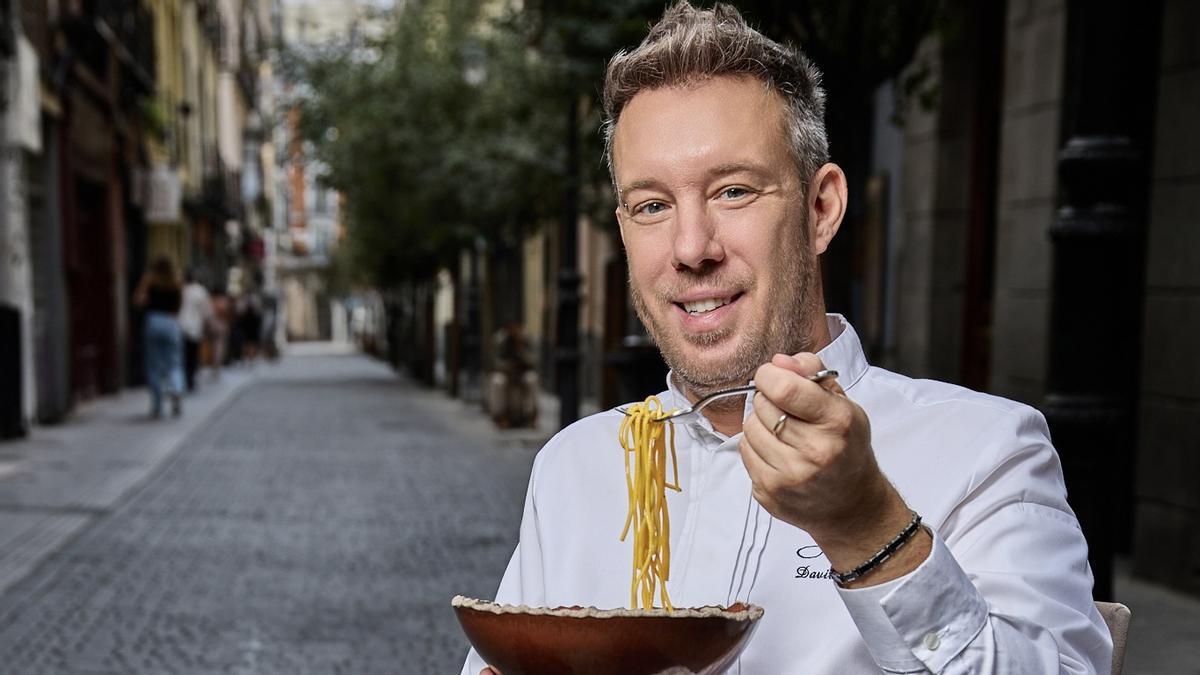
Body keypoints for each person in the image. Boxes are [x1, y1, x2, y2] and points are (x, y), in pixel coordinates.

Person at [464, 3, 1111, 674]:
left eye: (734, 190)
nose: (691, 248)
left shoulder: (986, 450)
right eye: (652, 204)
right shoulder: (574, 466)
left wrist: (867, 526)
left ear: (821, 208)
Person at [133, 256, 185, 418]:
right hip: (171, 322)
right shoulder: (176, 283)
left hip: (154, 320)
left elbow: (137, 300)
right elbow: (179, 307)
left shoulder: (150, 280)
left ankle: (157, 405)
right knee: (174, 363)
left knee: (153, 365)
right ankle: (176, 390)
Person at [178, 270, 213, 392]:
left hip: (180, 326)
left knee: (183, 355)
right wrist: (207, 324)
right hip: (195, 327)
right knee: (192, 355)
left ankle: (183, 380)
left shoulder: (181, 289)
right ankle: (190, 380)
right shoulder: (200, 291)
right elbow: (207, 311)